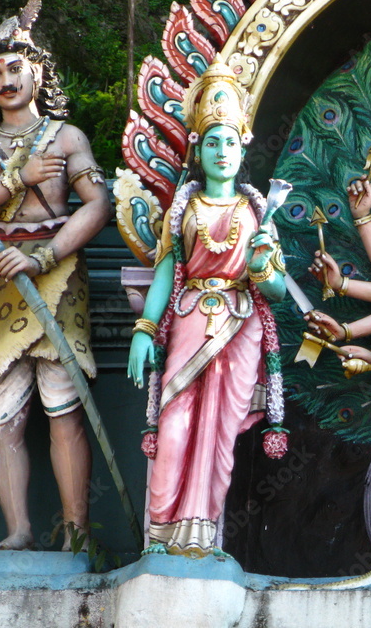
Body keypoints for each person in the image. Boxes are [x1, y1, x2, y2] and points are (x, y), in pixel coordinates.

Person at [0, 0, 111, 550]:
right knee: (3, 412)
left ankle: (77, 530)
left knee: (63, 403)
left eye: (15, 68)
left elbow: (97, 207)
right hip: (0, 278)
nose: (5, 80)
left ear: (37, 71)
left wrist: (45, 257)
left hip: (55, 273)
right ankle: (19, 529)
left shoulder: (67, 138)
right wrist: (18, 177)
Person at [127, 57, 288, 557]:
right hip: (191, 317)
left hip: (239, 327)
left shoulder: (257, 212)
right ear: (200, 148)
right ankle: (158, 535)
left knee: (220, 438)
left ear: (245, 147)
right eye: (212, 141)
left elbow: (278, 290)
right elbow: (166, 273)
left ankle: (202, 538)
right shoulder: (185, 207)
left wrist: (262, 263)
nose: (222, 151)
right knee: (174, 426)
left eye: (230, 141)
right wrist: (143, 329)